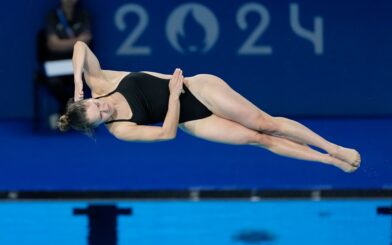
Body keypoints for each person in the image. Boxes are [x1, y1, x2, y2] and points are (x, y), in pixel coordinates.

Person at [58, 41, 361, 173]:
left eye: (98, 105)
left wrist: (76, 83)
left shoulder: (99, 83)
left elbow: (80, 48)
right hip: (191, 120)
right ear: (97, 127)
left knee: (264, 123)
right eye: (101, 116)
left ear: (89, 98)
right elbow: (165, 134)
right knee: (260, 140)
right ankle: (329, 163)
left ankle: (333, 148)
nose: (105, 108)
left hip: (200, 88)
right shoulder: (121, 130)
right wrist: (173, 97)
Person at [44, 0, 92, 128]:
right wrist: (78, 44)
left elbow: (87, 40)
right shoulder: (52, 15)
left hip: (79, 64)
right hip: (56, 64)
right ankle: (69, 113)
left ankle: (64, 114)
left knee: (79, 83)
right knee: (54, 84)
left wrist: (63, 43)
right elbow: (53, 45)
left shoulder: (82, 14)